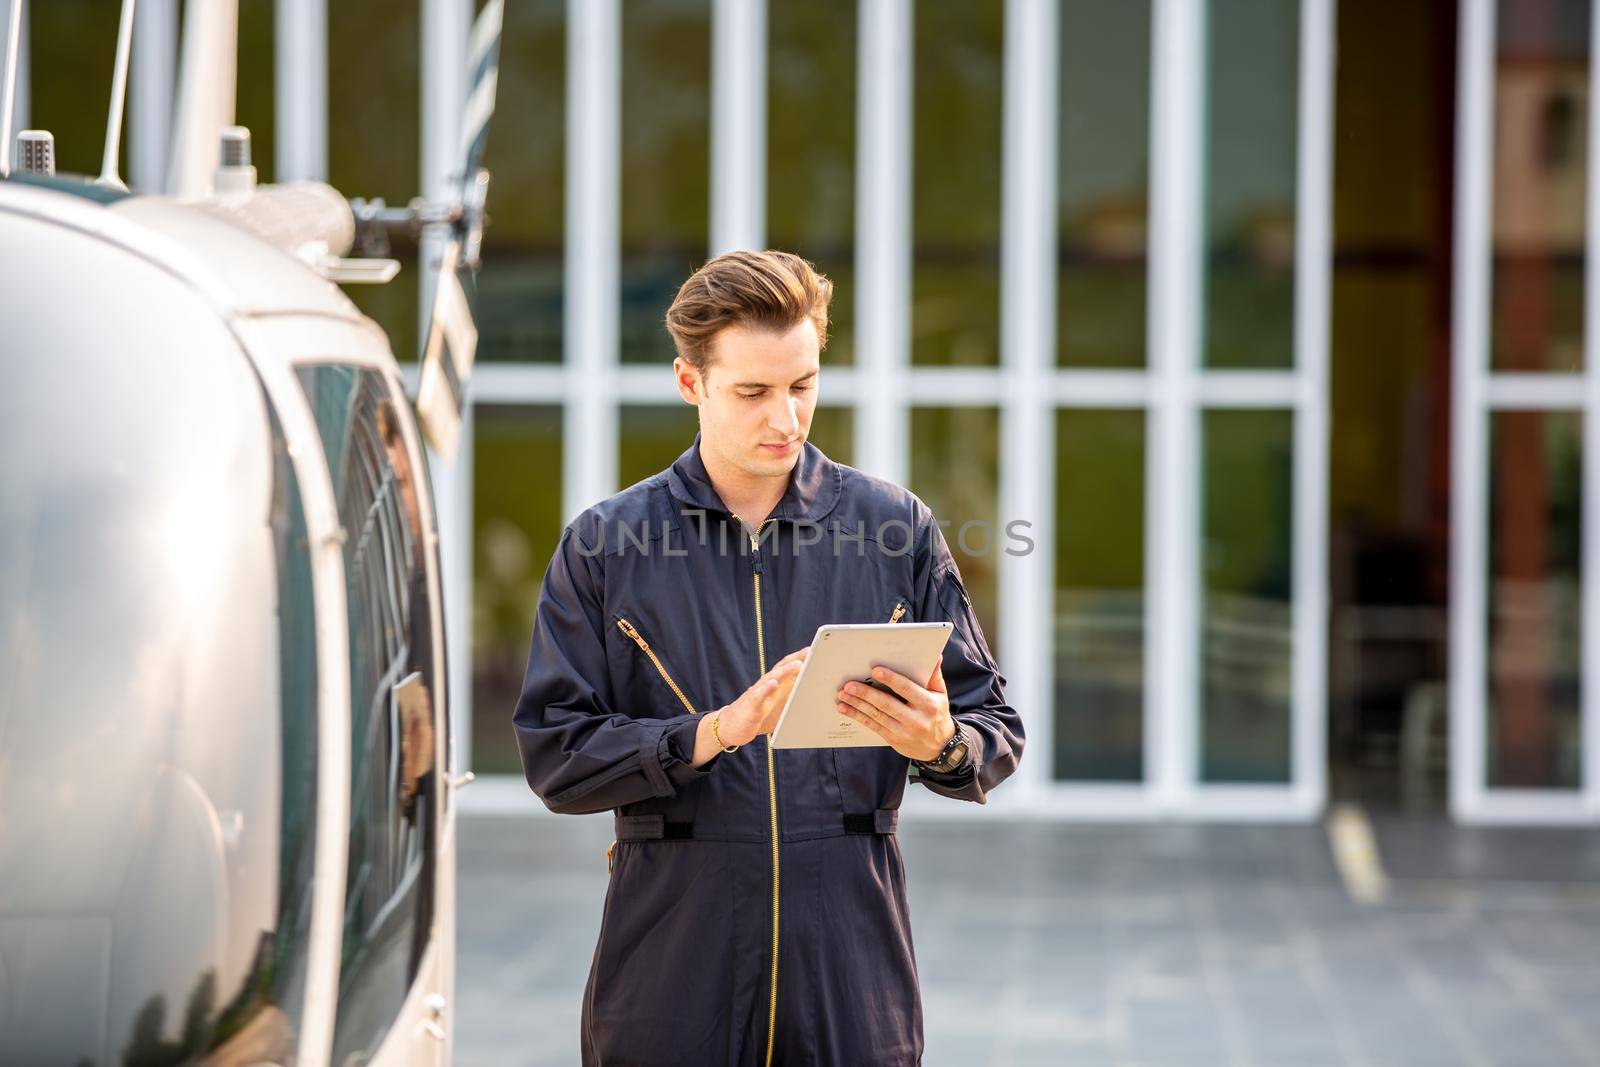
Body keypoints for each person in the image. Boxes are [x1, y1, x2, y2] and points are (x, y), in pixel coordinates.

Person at [512, 250, 1023, 1066]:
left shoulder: (896, 530)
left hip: (853, 974)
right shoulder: (607, 547)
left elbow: (995, 729)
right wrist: (713, 731)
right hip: (670, 971)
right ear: (691, 383)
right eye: (753, 391)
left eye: (803, 385)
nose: (785, 417)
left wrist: (943, 743)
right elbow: (557, 756)